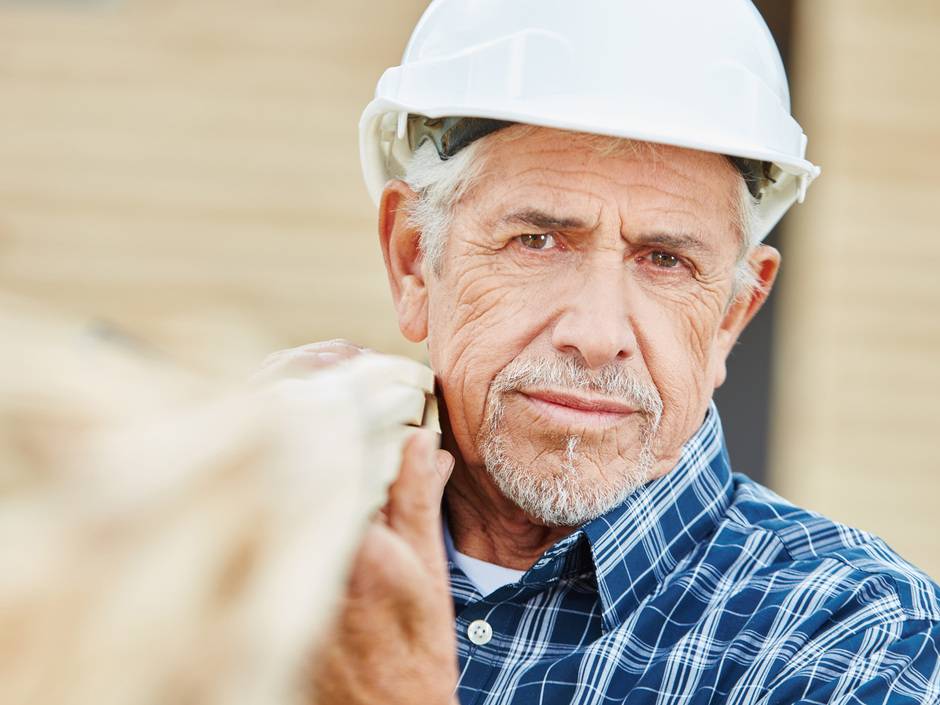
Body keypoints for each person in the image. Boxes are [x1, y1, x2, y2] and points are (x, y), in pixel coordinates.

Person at [301, 1, 940, 703]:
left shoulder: (862, 634)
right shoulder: (271, 548)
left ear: (731, 314)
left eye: (665, 259)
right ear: (413, 261)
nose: (599, 333)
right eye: (538, 241)